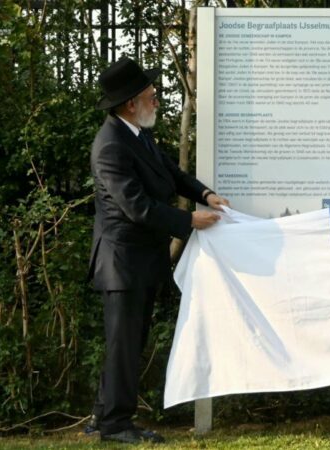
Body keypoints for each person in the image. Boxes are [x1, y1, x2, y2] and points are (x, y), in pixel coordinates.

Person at [86, 57, 229, 444]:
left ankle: (104, 415)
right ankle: (116, 424)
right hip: (122, 262)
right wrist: (188, 222)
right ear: (131, 102)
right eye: (150, 93)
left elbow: (173, 174)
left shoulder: (137, 134)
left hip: (139, 261)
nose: (156, 97)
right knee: (124, 344)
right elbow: (136, 207)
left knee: (126, 341)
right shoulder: (110, 145)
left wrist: (205, 195)